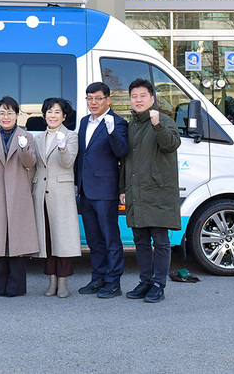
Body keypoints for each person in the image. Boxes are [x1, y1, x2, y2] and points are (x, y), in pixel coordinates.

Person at [122, 78, 182, 303]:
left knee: (160, 239)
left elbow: (171, 144)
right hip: (136, 191)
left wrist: (157, 125)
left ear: (152, 99)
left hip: (157, 191)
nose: (138, 100)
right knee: (140, 240)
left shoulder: (164, 120)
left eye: (143, 96)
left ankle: (159, 283)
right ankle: (145, 281)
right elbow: (125, 161)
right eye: (134, 96)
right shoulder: (131, 125)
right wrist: (122, 188)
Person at [0, 96, 40, 297]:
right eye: (2, 113)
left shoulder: (27, 137)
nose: (6, 117)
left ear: (17, 115)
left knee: (17, 240)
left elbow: (29, 162)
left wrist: (23, 148)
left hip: (18, 193)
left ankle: (16, 287)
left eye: (10, 112)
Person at [74, 82, 129, 299]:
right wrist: (77, 182)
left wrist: (112, 131)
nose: (93, 102)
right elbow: (82, 155)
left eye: (98, 98)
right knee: (93, 239)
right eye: (89, 98)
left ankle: (113, 281)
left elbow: (122, 151)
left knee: (110, 238)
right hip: (86, 190)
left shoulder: (118, 122)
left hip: (105, 190)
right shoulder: (84, 121)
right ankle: (98, 278)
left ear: (108, 99)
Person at [32, 97, 81, 299]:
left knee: (63, 239)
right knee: (47, 240)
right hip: (41, 193)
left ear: (64, 116)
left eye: (57, 112)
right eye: (49, 111)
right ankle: (51, 280)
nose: (52, 115)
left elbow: (68, 162)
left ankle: (63, 282)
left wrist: (61, 147)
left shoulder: (70, 136)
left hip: (62, 193)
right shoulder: (37, 138)